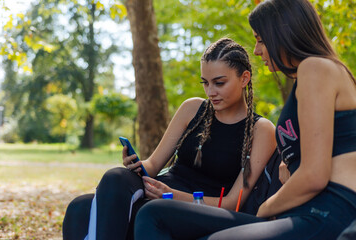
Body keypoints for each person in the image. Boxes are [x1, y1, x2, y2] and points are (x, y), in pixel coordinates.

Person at [134, 0, 356, 239]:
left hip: (329, 210)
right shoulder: (314, 75)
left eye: (260, 39)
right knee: (154, 213)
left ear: (282, 32)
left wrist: (265, 208)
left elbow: (314, 176)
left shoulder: (315, 68)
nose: (257, 49)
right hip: (310, 208)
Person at [62, 38, 277, 240]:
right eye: (205, 83)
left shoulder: (261, 130)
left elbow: (233, 203)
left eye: (219, 83)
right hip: (161, 192)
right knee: (108, 183)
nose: (211, 92)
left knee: (87, 209)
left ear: (244, 78)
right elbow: (154, 165)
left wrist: (172, 196)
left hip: (192, 209)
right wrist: (137, 165)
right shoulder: (193, 109)